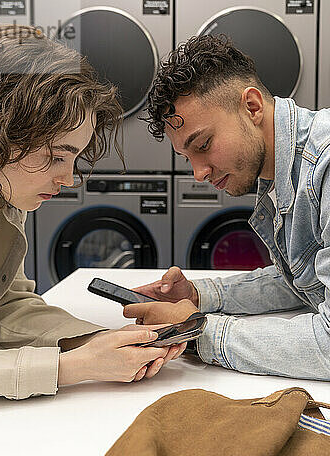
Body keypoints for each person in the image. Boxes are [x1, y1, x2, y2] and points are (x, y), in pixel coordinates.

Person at [0, 25, 185, 406]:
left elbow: (4, 306)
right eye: (55, 156)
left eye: (75, 158)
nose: (68, 178)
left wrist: (99, 342)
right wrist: (70, 367)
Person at [124, 34, 330, 381]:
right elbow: (304, 280)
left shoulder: (324, 165)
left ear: (252, 107)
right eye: (188, 157)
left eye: (204, 144)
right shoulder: (280, 168)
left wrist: (197, 331)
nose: (199, 173)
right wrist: (200, 295)